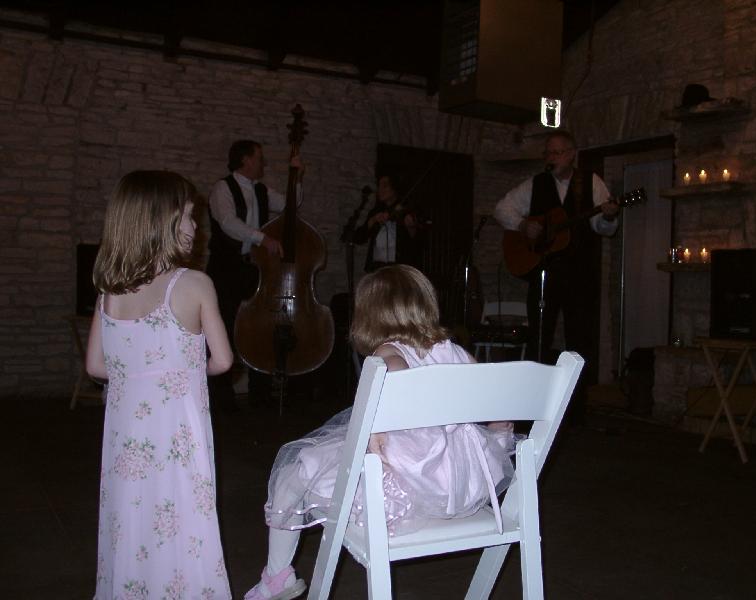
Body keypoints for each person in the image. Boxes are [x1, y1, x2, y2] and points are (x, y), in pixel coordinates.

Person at [244, 265, 515, 600]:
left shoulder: (388, 353)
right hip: (464, 488)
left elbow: (396, 371)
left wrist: (380, 423)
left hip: (409, 486)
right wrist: (497, 439)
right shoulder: (456, 351)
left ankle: (276, 577)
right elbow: (499, 412)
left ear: (369, 316)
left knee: (292, 474)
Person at [86, 171, 234, 599]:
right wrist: (181, 373)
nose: (195, 226)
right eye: (187, 216)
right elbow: (223, 361)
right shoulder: (194, 284)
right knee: (182, 515)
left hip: (126, 439)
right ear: (160, 221)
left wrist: (140, 375)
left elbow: (96, 365)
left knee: (131, 518)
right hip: (177, 436)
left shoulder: (108, 292)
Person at [494, 129, 619, 424]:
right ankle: (534, 406)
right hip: (545, 273)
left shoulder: (591, 182)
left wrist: (609, 215)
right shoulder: (536, 184)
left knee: (579, 338)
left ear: (572, 154)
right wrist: (523, 225)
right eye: (548, 153)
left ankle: (575, 410)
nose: (552, 157)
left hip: (579, 273)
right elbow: (502, 208)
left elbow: (604, 228)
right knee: (539, 335)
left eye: (558, 152)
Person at [206, 140, 302, 410]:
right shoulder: (222, 188)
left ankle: (259, 393)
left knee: (259, 326)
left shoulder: (260, 189)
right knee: (223, 326)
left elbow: (290, 204)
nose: (263, 163)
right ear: (245, 160)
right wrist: (262, 239)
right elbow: (228, 223)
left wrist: (297, 176)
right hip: (226, 268)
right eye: (259, 157)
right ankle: (220, 398)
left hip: (253, 269)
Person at [352, 174, 422, 272]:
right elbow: (358, 238)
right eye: (379, 186)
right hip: (377, 269)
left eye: (385, 186)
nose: (380, 190)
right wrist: (372, 221)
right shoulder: (375, 211)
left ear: (394, 188)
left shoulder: (406, 210)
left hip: (399, 269)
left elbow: (418, 244)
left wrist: (411, 228)